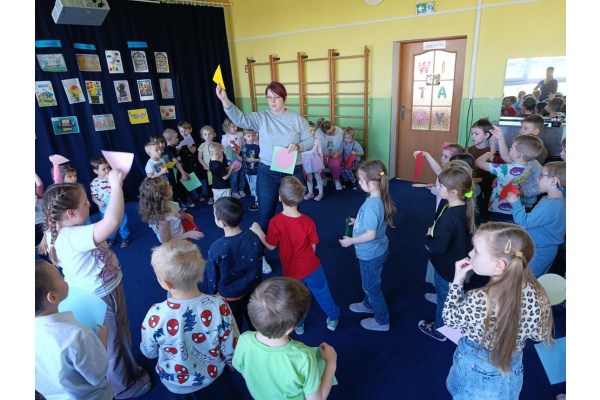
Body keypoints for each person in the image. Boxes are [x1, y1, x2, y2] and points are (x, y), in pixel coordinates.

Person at [37, 170, 151, 399]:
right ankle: (122, 386)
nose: (89, 204)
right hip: (102, 294)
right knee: (114, 341)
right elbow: (112, 221)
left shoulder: (57, 228)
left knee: (118, 334)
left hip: (98, 291)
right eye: (85, 202)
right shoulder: (72, 236)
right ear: (70, 213)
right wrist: (116, 186)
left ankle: (127, 370)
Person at [443, 222, 554, 399]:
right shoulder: (538, 293)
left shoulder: (480, 298)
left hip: (475, 365)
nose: (470, 253)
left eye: (476, 251)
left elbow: (450, 319)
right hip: (511, 366)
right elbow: (538, 334)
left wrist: (457, 282)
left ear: (499, 265)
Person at [140, 240, 239, 398]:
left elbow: (149, 352)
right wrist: (232, 363)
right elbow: (231, 344)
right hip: (213, 378)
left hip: (175, 383)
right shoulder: (219, 305)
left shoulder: (155, 314)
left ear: (166, 284)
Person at [215, 81, 313, 234]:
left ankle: (292, 243)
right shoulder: (262, 117)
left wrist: (299, 146)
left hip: (293, 171)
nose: (272, 101)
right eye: (269, 97)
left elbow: (309, 141)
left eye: (276, 97)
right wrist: (225, 100)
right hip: (267, 171)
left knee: (293, 213)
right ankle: (262, 247)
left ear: (284, 98)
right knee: (265, 214)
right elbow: (241, 119)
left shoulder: (297, 119)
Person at [251, 176, 340, 334]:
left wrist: (258, 231)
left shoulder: (276, 222)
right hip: (312, 266)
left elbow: (271, 246)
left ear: (280, 197)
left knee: (296, 300)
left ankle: (299, 325)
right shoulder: (308, 221)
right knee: (323, 292)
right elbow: (313, 247)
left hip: (292, 271)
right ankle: (333, 319)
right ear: (300, 198)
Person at [232, 277, 338, 400]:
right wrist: (331, 363)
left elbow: (244, 372)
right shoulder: (304, 357)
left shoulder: (244, 339)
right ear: (290, 328)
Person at [35, 260, 114, 400]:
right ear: (53, 297)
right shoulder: (78, 334)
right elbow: (97, 374)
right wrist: (102, 338)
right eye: (60, 277)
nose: (63, 278)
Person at [417, 164, 475, 341]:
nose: (437, 187)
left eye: (440, 185)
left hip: (448, 267)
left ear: (453, 192)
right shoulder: (464, 206)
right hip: (457, 262)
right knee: (451, 292)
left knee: (444, 300)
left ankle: (439, 330)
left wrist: (428, 238)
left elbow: (437, 247)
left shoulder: (450, 216)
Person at [339, 160, 396, 331]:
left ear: (372, 183)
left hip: (370, 254)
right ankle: (368, 304)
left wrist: (351, 241)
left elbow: (370, 234)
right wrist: (358, 221)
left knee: (371, 287)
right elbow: (374, 222)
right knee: (371, 282)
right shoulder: (377, 197)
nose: (359, 183)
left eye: (361, 180)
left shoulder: (372, 204)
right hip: (378, 250)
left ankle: (382, 321)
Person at [207, 197, 263, 331]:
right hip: (253, 290)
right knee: (254, 321)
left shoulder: (216, 247)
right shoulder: (253, 237)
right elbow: (258, 262)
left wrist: (214, 294)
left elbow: (212, 275)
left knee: (234, 325)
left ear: (222, 223)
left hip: (229, 296)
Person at [506, 162, 566, 277]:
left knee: (529, 278)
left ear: (554, 181)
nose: (538, 179)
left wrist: (515, 203)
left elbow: (524, 222)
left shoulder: (550, 205)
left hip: (539, 250)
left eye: (542, 175)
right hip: (546, 249)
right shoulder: (558, 200)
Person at [475, 135, 544, 223]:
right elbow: (505, 157)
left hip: (498, 209)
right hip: (512, 207)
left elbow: (478, 162)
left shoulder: (506, 169)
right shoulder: (528, 166)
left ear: (518, 154)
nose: (510, 149)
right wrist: (500, 138)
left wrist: (487, 154)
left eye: (511, 148)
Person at [138, 177, 204, 243]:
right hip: (175, 245)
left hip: (179, 237)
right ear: (162, 196)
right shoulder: (163, 219)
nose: (171, 187)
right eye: (168, 187)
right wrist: (187, 235)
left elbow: (172, 223)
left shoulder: (167, 205)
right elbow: (166, 242)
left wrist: (182, 217)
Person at [89, 157, 131, 248]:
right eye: (103, 169)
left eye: (108, 167)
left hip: (118, 206)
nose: (107, 170)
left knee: (122, 221)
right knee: (108, 223)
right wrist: (98, 202)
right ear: (96, 171)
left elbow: (119, 188)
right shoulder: (94, 183)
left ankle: (125, 237)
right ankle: (112, 237)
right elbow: (94, 197)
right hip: (104, 209)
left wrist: (111, 181)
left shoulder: (112, 178)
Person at [467, 118, 494, 224]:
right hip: (470, 186)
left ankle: (483, 224)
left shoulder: (490, 153)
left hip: (483, 189)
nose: (473, 136)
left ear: (486, 135)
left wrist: (480, 179)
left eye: (476, 134)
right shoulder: (469, 150)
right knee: (469, 202)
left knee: (481, 208)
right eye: (472, 133)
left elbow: (494, 174)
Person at [163, 128, 193, 210]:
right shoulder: (169, 149)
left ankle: (185, 201)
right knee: (179, 188)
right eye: (176, 138)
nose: (177, 139)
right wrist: (182, 173)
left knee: (183, 187)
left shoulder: (173, 148)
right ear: (169, 139)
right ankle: (181, 204)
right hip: (176, 172)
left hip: (181, 170)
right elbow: (175, 163)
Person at [177, 121, 204, 204]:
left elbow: (194, 151)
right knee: (187, 181)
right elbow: (176, 151)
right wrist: (180, 145)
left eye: (185, 130)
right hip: (184, 165)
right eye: (181, 131)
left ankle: (200, 193)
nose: (184, 133)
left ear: (190, 130)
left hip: (193, 164)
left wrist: (190, 148)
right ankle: (190, 197)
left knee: (197, 179)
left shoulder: (193, 140)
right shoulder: (179, 141)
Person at [315, 118, 345, 190]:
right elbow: (317, 149)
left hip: (336, 152)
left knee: (334, 164)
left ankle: (337, 181)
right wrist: (328, 154)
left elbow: (344, 144)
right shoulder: (318, 134)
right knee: (318, 163)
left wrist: (338, 152)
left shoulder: (339, 131)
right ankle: (323, 180)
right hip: (323, 153)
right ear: (323, 132)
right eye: (330, 133)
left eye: (333, 130)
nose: (333, 133)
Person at [221, 118, 246, 199]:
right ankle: (235, 191)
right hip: (231, 160)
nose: (236, 128)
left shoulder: (240, 134)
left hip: (241, 158)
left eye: (236, 126)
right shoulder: (226, 137)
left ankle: (241, 189)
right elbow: (224, 149)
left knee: (242, 176)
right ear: (227, 127)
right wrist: (231, 152)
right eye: (233, 127)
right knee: (234, 177)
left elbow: (244, 144)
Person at [303, 121, 325, 201]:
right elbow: (301, 153)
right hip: (306, 162)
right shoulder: (303, 141)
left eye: (314, 130)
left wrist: (321, 164)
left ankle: (320, 193)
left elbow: (320, 152)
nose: (313, 132)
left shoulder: (316, 140)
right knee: (309, 178)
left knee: (318, 177)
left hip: (316, 162)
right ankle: (310, 192)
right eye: (311, 130)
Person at [197, 126, 217, 205]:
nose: (208, 136)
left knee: (217, 181)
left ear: (213, 135)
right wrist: (206, 167)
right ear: (202, 136)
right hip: (207, 169)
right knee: (209, 183)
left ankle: (218, 195)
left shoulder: (216, 144)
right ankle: (211, 197)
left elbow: (220, 155)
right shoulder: (202, 146)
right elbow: (200, 158)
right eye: (205, 134)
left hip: (216, 167)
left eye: (209, 134)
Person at [241, 129, 260, 211]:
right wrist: (235, 153)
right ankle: (258, 201)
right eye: (249, 136)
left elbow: (262, 159)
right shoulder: (243, 147)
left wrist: (253, 160)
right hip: (247, 171)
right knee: (252, 188)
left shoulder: (256, 147)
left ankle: (258, 203)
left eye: (253, 135)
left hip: (255, 172)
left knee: (255, 188)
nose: (251, 138)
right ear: (244, 137)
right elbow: (242, 158)